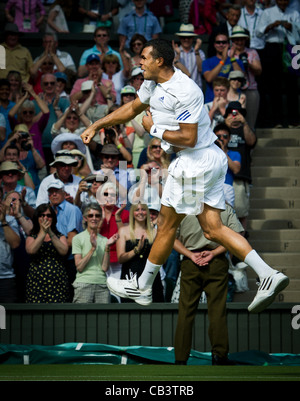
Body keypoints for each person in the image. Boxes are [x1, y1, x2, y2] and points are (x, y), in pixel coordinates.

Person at [81, 38, 289, 313]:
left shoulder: (185, 90)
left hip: (195, 161)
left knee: (166, 225)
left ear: (160, 61)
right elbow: (132, 109)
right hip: (204, 160)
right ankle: (267, 274)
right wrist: (97, 124)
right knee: (212, 228)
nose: (138, 61)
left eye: (144, 57)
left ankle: (143, 286)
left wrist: (153, 128)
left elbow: (188, 138)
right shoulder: (152, 81)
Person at [173, 204, 244, 365]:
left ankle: (180, 358)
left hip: (191, 262)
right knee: (217, 311)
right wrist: (214, 252)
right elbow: (238, 234)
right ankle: (219, 355)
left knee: (185, 312)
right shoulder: (224, 207)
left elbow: (170, 237)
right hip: (216, 261)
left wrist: (190, 254)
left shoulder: (184, 206)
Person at [255, 0, 300, 127]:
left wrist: (291, 26)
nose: (283, 2)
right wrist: (271, 26)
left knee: (292, 84)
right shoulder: (267, 12)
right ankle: (277, 120)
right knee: (274, 85)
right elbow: (258, 32)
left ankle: (294, 120)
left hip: (293, 49)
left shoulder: (295, 12)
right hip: (273, 47)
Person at [117, 202, 164, 302]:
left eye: (143, 209)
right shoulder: (124, 231)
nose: (140, 212)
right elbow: (120, 258)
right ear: (132, 213)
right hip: (130, 278)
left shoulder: (155, 232)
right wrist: (136, 250)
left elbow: (161, 258)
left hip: (151, 279)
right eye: (137, 210)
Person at [72, 203, 118, 303]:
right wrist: (93, 248)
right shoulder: (77, 238)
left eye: (97, 215)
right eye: (91, 215)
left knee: (103, 318)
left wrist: (107, 246)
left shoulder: (105, 240)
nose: (94, 218)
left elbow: (104, 268)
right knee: (82, 317)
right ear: (85, 218)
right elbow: (79, 267)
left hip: (102, 284)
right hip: (83, 283)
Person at [25, 203, 69, 303]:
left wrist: (50, 232)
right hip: (36, 282)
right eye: (42, 215)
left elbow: (63, 251)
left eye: (49, 216)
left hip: (57, 282)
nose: (45, 218)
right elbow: (31, 250)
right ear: (37, 217)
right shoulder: (31, 237)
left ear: (53, 218)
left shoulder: (60, 236)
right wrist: (43, 232)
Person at [224, 101, 255, 231]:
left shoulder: (245, 128)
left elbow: (251, 141)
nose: (234, 115)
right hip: (223, 177)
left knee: (241, 213)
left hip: (241, 175)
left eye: (237, 113)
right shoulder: (223, 130)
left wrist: (244, 123)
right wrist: (226, 124)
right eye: (231, 113)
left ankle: (241, 243)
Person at [8, 82, 50, 164]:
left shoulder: (38, 126)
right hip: (20, 161)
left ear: (34, 113)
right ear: (20, 113)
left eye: (30, 112)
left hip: (38, 162)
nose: (28, 114)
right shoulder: (17, 126)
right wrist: (24, 98)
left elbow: (46, 112)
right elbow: (10, 115)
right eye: (25, 112)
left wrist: (33, 94)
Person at [229, 25, 262, 129]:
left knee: (250, 122)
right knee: (234, 121)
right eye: (236, 39)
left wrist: (248, 64)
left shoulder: (252, 52)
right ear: (233, 40)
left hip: (251, 90)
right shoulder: (229, 53)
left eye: (242, 39)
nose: (239, 42)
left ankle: (251, 142)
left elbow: (259, 71)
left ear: (245, 39)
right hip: (233, 91)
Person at [3, 189, 33, 301]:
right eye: (13, 199)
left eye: (19, 200)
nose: (15, 202)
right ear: (4, 201)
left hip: (23, 265)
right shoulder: (3, 220)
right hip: (7, 265)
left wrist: (18, 215)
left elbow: (30, 231)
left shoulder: (25, 219)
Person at [0, 124, 45, 191]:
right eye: (20, 135)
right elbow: (1, 158)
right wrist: (10, 140)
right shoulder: (11, 152)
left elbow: (41, 165)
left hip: (33, 187)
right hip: (13, 187)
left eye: (24, 135)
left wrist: (32, 147)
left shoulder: (33, 152)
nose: (22, 138)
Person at [202, 32, 245, 103]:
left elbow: (241, 77)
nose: (221, 44)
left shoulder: (236, 61)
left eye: (224, 42)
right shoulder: (207, 62)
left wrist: (232, 58)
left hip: (233, 100)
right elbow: (209, 78)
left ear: (228, 44)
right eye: (218, 42)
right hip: (212, 100)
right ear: (214, 45)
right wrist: (223, 60)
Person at [0, 186, 21, 303]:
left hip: (5, 278)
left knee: (7, 319)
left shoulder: (9, 220)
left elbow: (15, 244)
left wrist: (3, 221)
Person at [214, 122, 241, 208]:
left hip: (227, 187)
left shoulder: (234, 154)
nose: (221, 139)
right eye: (218, 137)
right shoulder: (208, 153)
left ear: (229, 138)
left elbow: (236, 169)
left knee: (227, 216)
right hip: (211, 186)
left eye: (225, 136)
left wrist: (222, 152)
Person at [173, 23, 206, 89]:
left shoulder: (200, 52)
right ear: (179, 38)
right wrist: (177, 56)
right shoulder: (174, 53)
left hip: (196, 88)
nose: (186, 40)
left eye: (189, 37)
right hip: (179, 89)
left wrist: (196, 51)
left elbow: (201, 70)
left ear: (193, 38)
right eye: (183, 37)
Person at [0, 78, 16, 147]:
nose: (4, 91)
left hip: (13, 145)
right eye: (2, 89)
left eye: (7, 89)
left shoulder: (14, 106)